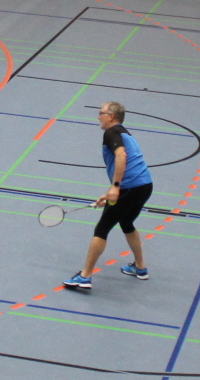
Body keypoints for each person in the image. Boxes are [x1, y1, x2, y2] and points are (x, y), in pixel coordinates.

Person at [63, 102, 153, 290]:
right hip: (144, 186)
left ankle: (85, 276)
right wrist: (111, 193)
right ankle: (140, 267)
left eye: (101, 113)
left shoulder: (111, 132)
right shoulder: (125, 133)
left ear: (111, 116)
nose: (98, 116)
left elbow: (121, 156)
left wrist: (115, 187)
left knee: (102, 229)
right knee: (126, 223)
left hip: (129, 187)